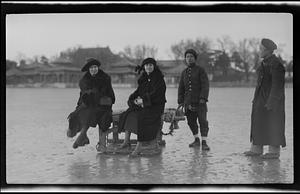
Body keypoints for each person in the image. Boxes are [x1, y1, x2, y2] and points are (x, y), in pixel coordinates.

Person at [244, 38, 286, 159]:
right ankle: (256, 149)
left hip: (273, 101)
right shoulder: (263, 63)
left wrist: (272, 102)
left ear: (267, 50)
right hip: (260, 100)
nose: (259, 51)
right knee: (258, 123)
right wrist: (256, 100)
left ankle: (274, 151)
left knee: (274, 124)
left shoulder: (276, 64)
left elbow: (277, 86)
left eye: (261, 49)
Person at [117, 57, 167, 156]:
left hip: (156, 106)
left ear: (154, 66)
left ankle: (139, 146)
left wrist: (143, 100)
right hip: (145, 104)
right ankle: (126, 141)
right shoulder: (143, 78)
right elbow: (138, 91)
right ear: (144, 67)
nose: (148, 67)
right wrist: (132, 98)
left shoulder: (159, 79)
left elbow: (157, 94)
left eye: (151, 65)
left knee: (143, 117)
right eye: (147, 65)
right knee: (129, 113)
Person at [67, 58, 115, 153]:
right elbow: (84, 95)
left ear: (98, 68)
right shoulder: (84, 80)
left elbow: (109, 94)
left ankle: (83, 135)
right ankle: (82, 135)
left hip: (103, 106)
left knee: (92, 111)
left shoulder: (105, 78)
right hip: (88, 103)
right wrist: (88, 98)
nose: (94, 69)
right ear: (88, 69)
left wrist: (94, 94)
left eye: (95, 67)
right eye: (91, 67)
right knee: (79, 113)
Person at [178, 49, 210, 150]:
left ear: (195, 58)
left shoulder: (201, 70)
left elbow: (205, 85)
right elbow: (181, 88)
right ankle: (196, 140)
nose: (189, 58)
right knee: (191, 122)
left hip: (200, 102)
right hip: (188, 102)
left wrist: (203, 98)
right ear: (185, 59)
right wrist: (181, 101)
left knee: (203, 121)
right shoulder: (184, 72)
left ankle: (204, 142)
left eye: (191, 56)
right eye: (187, 56)